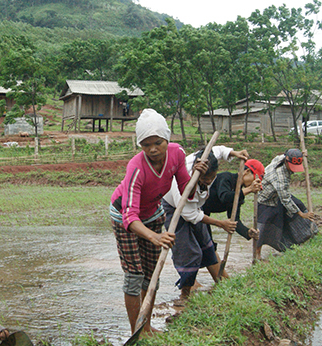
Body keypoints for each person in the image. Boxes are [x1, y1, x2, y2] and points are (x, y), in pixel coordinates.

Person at [110, 109, 191, 336]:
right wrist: (155, 237)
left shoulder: (177, 154)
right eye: (146, 145)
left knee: (151, 272)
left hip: (153, 215)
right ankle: (136, 331)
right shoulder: (136, 168)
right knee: (135, 274)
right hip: (125, 217)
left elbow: (187, 192)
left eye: (158, 143)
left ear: (167, 138)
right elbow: (130, 217)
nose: (153, 149)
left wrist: (198, 178)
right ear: (140, 145)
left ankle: (146, 326)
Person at [162, 146, 250, 297]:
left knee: (206, 244)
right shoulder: (182, 180)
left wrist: (234, 153)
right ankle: (186, 293)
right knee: (189, 252)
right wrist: (221, 223)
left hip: (195, 206)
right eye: (204, 180)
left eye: (211, 179)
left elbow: (218, 150)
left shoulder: (207, 158)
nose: (208, 182)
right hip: (175, 208)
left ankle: (222, 281)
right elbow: (189, 214)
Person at [255, 148, 318, 257]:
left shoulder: (282, 158)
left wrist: (300, 154)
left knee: (298, 204)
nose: (294, 170)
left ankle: (310, 232)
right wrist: (301, 214)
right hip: (266, 200)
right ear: (286, 162)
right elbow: (285, 198)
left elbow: (287, 154)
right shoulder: (280, 176)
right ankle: (257, 255)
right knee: (264, 227)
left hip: (276, 196)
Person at [203, 158, 265, 244]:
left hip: (204, 218)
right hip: (195, 212)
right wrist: (249, 189)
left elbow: (234, 220)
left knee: (209, 247)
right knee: (206, 247)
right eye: (254, 178)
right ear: (246, 172)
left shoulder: (239, 193)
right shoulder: (226, 177)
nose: (253, 183)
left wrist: (247, 232)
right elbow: (224, 197)